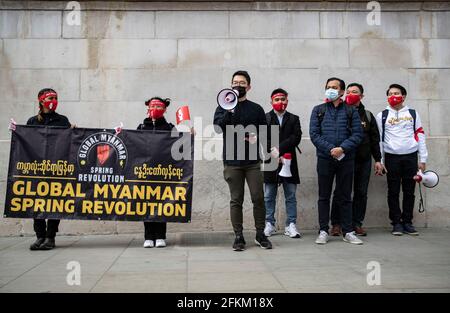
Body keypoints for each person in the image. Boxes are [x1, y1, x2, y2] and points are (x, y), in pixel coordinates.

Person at [213, 70, 272, 251]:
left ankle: (260, 234)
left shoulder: (256, 109)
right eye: (235, 82)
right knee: (236, 199)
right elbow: (218, 128)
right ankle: (238, 236)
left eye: (242, 83)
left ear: (249, 86)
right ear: (231, 85)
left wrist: (257, 139)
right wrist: (229, 111)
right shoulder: (223, 106)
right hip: (232, 162)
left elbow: (265, 132)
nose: (238, 85)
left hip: (252, 161)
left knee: (258, 197)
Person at [309, 77, 364, 245]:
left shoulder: (351, 111)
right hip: (325, 159)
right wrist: (330, 149)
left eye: (334, 87)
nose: (330, 89)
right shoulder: (318, 110)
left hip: (346, 159)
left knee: (345, 195)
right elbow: (314, 134)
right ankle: (323, 230)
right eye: (328, 87)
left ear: (341, 92)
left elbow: (357, 134)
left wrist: (342, 149)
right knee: (323, 196)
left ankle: (348, 231)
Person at [330, 83, 383, 236]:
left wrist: (378, 160)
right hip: (344, 159)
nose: (351, 94)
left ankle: (356, 223)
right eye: (348, 91)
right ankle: (337, 224)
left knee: (361, 192)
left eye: (355, 92)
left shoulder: (367, 115)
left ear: (362, 95)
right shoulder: (340, 111)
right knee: (340, 192)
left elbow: (375, 139)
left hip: (363, 160)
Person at [375, 84, 428, 236]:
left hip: (411, 157)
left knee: (409, 191)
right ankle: (396, 223)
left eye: (396, 93)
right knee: (393, 191)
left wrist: (422, 159)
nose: (393, 96)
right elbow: (379, 140)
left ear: (403, 96)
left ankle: (408, 222)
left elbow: (420, 135)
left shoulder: (412, 113)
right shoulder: (382, 115)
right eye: (390, 93)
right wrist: (381, 160)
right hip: (392, 158)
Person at [26, 88, 72, 250]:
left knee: (54, 204)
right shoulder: (32, 121)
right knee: (37, 203)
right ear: (41, 100)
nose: (53, 100)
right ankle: (39, 236)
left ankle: (50, 237)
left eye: (55, 97)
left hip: (56, 169)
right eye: (50, 98)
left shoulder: (62, 120)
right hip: (37, 169)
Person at [263, 88, 302, 239]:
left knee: (290, 195)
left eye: (283, 99)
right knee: (268, 195)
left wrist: (280, 150)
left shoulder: (294, 118)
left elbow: (296, 137)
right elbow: (262, 137)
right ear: (271, 101)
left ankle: (291, 224)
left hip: (288, 160)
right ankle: (269, 223)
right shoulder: (265, 118)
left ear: (287, 101)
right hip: (270, 160)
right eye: (277, 100)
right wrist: (274, 153)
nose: (280, 102)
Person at [138, 97, 174, 248]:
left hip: (163, 172)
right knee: (146, 203)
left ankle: (160, 236)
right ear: (147, 107)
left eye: (159, 107)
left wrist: (190, 136)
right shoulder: (141, 127)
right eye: (153, 106)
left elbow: (180, 147)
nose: (155, 109)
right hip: (145, 173)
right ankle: (148, 236)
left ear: (165, 109)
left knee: (161, 203)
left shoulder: (170, 128)